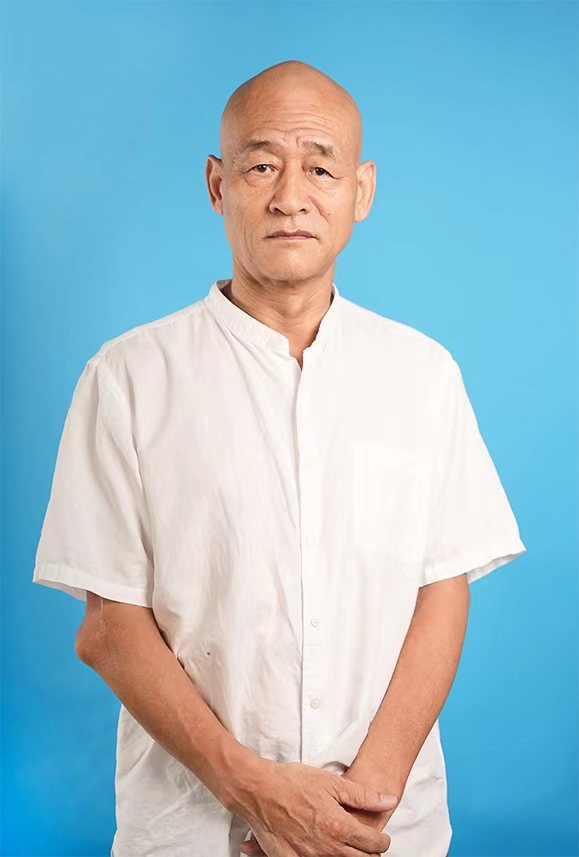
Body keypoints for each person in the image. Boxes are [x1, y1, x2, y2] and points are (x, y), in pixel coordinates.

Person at [32, 59, 526, 857]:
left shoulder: (422, 374)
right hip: (192, 830)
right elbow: (108, 625)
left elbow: (442, 588)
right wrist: (254, 790)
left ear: (360, 190)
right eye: (261, 165)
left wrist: (362, 801)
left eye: (319, 167)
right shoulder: (128, 377)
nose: (290, 196)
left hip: (385, 827)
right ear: (216, 184)